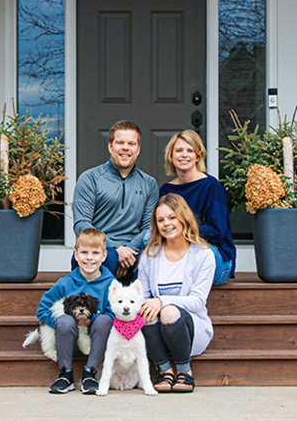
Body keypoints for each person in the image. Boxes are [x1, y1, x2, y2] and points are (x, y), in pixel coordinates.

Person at [138, 194, 215, 393]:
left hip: (191, 328)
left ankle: (185, 371)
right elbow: (143, 297)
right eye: (160, 220)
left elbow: (197, 301)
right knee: (146, 311)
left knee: (169, 311)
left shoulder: (203, 255)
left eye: (172, 217)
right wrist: (152, 304)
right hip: (156, 330)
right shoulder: (149, 255)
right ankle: (165, 371)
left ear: (183, 218)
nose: (166, 224)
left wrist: (161, 301)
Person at [73, 120, 159, 285]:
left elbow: (150, 226)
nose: (125, 148)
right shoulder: (90, 179)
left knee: (153, 257)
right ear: (110, 146)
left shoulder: (149, 184)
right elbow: (81, 224)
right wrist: (115, 249)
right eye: (120, 142)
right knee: (109, 257)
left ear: (138, 149)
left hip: (134, 252)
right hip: (97, 250)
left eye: (131, 143)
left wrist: (130, 251)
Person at [36, 228, 115, 394]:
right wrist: (57, 322)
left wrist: (89, 321)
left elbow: (114, 313)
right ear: (76, 255)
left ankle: (90, 374)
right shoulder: (65, 283)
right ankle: (65, 374)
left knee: (105, 319)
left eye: (95, 253)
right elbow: (42, 309)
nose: (89, 258)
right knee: (65, 320)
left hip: (96, 342)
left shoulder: (110, 283)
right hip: (68, 341)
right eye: (84, 252)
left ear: (104, 256)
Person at [159, 130, 236, 285]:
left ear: (198, 156)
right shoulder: (166, 190)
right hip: (178, 253)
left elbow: (217, 232)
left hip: (213, 254)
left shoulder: (211, 186)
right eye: (179, 150)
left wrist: (181, 230)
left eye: (190, 150)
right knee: (149, 243)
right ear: (171, 156)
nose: (184, 155)